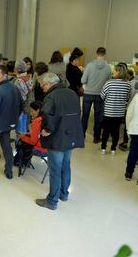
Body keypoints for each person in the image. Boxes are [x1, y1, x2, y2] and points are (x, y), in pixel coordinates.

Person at [35, 73, 84, 210]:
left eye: (43, 86)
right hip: (70, 135)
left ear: (48, 84)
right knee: (66, 164)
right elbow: (77, 113)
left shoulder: (52, 96)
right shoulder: (72, 93)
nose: (43, 89)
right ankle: (64, 193)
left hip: (57, 137)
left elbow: (46, 113)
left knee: (55, 169)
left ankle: (52, 201)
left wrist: (48, 130)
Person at [81, 47, 112, 143]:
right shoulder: (108, 67)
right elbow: (109, 81)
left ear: (96, 53)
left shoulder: (90, 65)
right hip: (100, 94)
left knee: (85, 115)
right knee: (98, 116)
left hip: (88, 93)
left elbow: (83, 80)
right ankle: (96, 137)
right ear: (105, 54)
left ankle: (81, 136)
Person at [100, 64, 131, 155]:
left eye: (115, 70)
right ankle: (113, 149)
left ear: (119, 72)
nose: (113, 72)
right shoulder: (127, 84)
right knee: (116, 131)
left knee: (106, 130)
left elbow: (102, 95)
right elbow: (127, 97)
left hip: (108, 111)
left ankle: (103, 148)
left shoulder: (109, 83)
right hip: (119, 112)